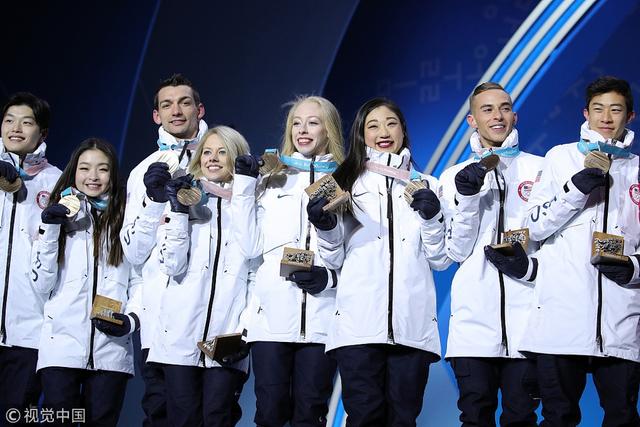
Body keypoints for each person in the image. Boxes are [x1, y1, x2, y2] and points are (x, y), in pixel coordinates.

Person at [308, 97, 448, 426]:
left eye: (391, 123)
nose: (383, 132)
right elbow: (333, 257)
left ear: (403, 130)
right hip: (359, 327)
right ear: (361, 135)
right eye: (372, 125)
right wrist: (326, 227)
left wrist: (431, 218)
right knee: (364, 417)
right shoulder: (345, 185)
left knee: (403, 419)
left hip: (411, 326)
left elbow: (440, 259)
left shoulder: (429, 185)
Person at [520, 76, 640, 426]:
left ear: (629, 116)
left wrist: (634, 269)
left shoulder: (637, 168)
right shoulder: (561, 157)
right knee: (558, 417)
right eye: (598, 109)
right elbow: (534, 226)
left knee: (623, 418)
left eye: (615, 109)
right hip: (563, 318)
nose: (606, 117)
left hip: (621, 319)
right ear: (585, 114)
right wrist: (575, 188)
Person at [231, 95, 343, 426]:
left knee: (311, 412)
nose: (302, 130)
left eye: (313, 121)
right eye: (296, 122)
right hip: (271, 320)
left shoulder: (344, 180)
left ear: (329, 129)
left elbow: (353, 252)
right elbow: (250, 246)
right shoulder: (270, 179)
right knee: (270, 412)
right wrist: (243, 186)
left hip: (323, 319)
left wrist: (330, 279)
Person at [438, 82, 543, 426]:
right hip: (472, 327)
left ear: (515, 115)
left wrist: (530, 267)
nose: (497, 116)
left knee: (522, 418)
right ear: (472, 120)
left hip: (528, 323)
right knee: (474, 418)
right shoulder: (452, 176)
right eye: (487, 109)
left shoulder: (542, 170)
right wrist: (467, 197)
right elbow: (454, 251)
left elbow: (552, 244)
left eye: (504, 108)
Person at [146, 126, 255, 426]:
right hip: (179, 338)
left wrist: (245, 331)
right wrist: (179, 213)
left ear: (236, 158)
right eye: (207, 152)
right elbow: (170, 265)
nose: (213, 158)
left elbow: (257, 272)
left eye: (223, 152)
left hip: (227, 339)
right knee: (183, 420)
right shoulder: (181, 200)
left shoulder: (250, 206)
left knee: (218, 418)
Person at [31, 138, 141, 426]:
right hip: (61, 349)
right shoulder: (56, 216)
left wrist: (131, 320)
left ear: (113, 175)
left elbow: (140, 279)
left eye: (102, 169)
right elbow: (42, 283)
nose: (93, 177)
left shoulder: (124, 219)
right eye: (85, 168)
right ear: (73, 172)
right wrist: (50, 228)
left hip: (111, 351)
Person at [119, 73, 207, 427]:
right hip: (157, 318)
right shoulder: (142, 171)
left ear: (199, 109)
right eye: (166, 105)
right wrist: (154, 204)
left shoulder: (221, 159)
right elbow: (134, 252)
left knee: (205, 414)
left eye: (184, 102)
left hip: (206, 311)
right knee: (158, 411)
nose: (176, 111)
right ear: (156, 115)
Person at [0, 92, 62, 420]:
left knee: (17, 416)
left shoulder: (57, 182)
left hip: (29, 332)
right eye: (9, 120)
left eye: (27, 122)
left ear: (43, 133)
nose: (16, 128)